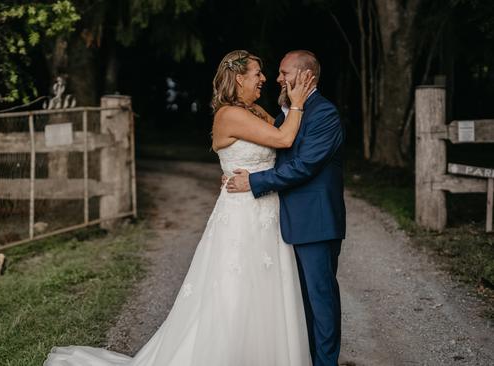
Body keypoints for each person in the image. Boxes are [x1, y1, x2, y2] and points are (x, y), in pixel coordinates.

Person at [43, 49, 315, 366]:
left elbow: (280, 145)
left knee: (266, 293)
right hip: (242, 217)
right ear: (239, 78)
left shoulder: (255, 110)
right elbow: (283, 139)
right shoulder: (229, 114)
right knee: (235, 292)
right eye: (257, 73)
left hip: (265, 212)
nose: (264, 79)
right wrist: (297, 102)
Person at [226, 50, 346, 366]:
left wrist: (253, 182)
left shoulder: (324, 114)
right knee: (297, 302)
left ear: (307, 76)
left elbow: (304, 166)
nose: (277, 79)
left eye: (284, 72)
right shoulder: (286, 112)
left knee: (320, 301)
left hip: (316, 222)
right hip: (284, 221)